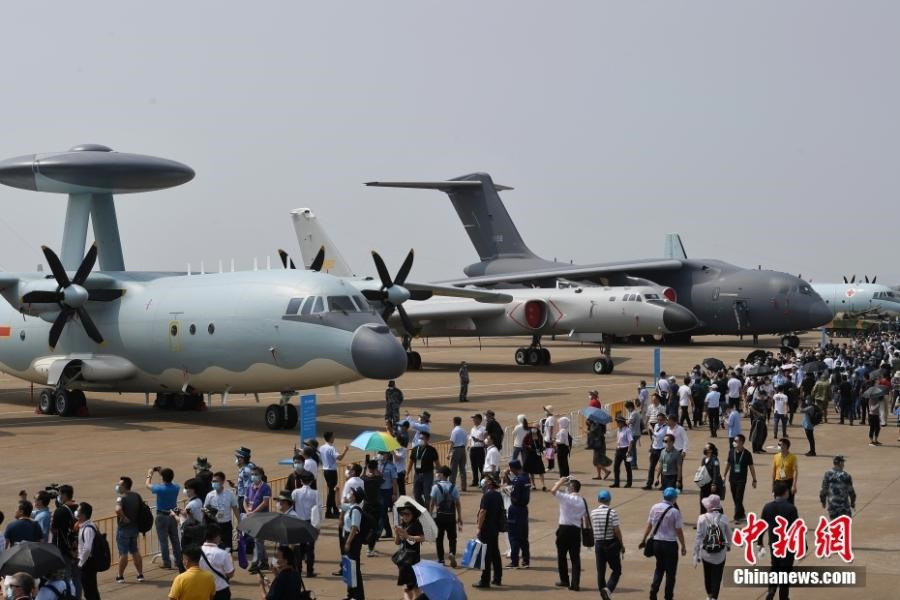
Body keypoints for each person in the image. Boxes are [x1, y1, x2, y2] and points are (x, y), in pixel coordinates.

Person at [639, 488, 687, 600]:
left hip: (657, 543)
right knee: (670, 573)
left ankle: (653, 591)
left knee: (659, 568)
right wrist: (683, 546)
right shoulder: (675, 512)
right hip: (670, 544)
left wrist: (644, 539)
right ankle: (668, 596)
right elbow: (679, 531)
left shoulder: (655, 507)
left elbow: (649, 525)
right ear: (674, 498)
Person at [757, 482, 799, 600]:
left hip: (774, 544)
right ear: (786, 493)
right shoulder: (791, 508)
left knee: (775, 567)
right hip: (787, 545)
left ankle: (771, 590)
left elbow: (761, 526)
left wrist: (760, 541)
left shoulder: (767, 507)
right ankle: (783, 597)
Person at [550, 476, 587, 591]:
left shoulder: (566, 498)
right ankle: (575, 584)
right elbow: (583, 518)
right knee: (575, 558)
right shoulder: (582, 501)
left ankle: (564, 580)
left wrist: (561, 481)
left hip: (564, 529)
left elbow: (553, 490)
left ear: (571, 487)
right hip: (576, 530)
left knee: (562, 556)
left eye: (568, 486)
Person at [692, 495, 731, 600]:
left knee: (707, 575)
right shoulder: (723, 518)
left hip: (706, 553)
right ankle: (714, 597)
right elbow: (728, 535)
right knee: (717, 577)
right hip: (720, 554)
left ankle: (709, 595)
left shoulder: (701, 518)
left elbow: (698, 537)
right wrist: (728, 545)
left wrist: (695, 554)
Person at [147, 467, 185, 571]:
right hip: (173, 515)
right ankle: (178, 561)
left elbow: (148, 485)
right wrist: (162, 473)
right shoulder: (176, 487)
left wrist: (149, 474)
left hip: (161, 516)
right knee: (175, 540)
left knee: (163, 541)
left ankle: (167, 562)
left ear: (163, 478)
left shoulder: (160, 488)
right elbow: (171, 482)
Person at [472, 473, 504, 589]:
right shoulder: (498, 495)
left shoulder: (487, 496)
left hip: (486, 528)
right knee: (495, 553)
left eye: (485, 480)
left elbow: (482, 512)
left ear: (490, 482)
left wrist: (478, 527)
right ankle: (497, 578)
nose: (483, 481)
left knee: (486, 555)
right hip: (494, 527)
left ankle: (485, 580)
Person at [591, 490, 624, 600]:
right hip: (610, 544)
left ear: (598, 500)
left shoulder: (593, 512)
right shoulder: (612, 512)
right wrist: (622, 544)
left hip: (598, 544)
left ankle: (602, 592)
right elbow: (617, 531)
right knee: (617, 570)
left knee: (601, 570)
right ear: (609, 500)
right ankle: (608, 589)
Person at [114, 476, 145, 583]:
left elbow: (117, 509)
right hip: (134, 529)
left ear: (125, 486)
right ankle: (140, 574)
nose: (117, 486)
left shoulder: (121, 498)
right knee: (135, 551)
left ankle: (120, 576)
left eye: (119, 484)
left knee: (123, 554)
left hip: (123, 530)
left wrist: (123, 517)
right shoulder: (137, 496)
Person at [430, 466, 461, 567]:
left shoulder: (435, 487)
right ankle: (452, 553)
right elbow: (457, 503)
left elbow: (432, 503)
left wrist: (430, 514)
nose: (437, 474)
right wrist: (459, 517)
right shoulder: (454, 487)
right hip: (451, 516)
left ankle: (441, 559)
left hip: (439, 516)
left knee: (439, 538)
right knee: (452, 538)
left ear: (443, 475)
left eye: (438, 473)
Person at [394, 502, 424, 600]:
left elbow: (422, 538)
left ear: (413, 514)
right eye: (403, 514)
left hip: (413, 560)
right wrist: (397, 533)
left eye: (407, 514)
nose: (405, 516)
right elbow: (397, 543)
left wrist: (408, 536)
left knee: (410, 588)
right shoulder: (403, 525)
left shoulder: (416, 525)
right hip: (404, 560)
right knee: (412, 587)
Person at [290, 471, 319, 576]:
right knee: (310, 549)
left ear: (301, 481)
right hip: (310, 522)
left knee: (298, 548)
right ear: (311, 481)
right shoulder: (315, 493)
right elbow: (318, 509)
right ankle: (310, 571)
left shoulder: (295, 492)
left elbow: (291, 506)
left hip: (298, 522)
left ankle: (298, 570)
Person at [244, 466, 272, 574]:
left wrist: (254, 512)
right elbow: (245, 500)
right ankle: (264, 561)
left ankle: (256, 562)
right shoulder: (249, 487)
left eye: (256, 474)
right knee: (258, 541)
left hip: (262, 517)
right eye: (252, 474)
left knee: (258, 540)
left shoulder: (265, 487)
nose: (253, 476)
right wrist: (247, 511)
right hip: (252, 516)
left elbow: (265, 503)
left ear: (261, 475)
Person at [723, 434, 756, 523]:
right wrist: (724, 475)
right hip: (732, 479)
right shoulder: (731, 452)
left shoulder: (747, 454)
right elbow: (728, 464)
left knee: (738, 498)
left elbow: (751, 467)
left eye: (736, 441)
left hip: (741, 480)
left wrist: (754, 479)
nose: (734, 442)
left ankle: (737, 517)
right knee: (735, 498)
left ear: (741, 442)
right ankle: (741, 514)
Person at [503, 460, 530, 569]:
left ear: (514, 468)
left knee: (514, 536)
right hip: (524, 510)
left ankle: (514, 561)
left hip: (516, 510)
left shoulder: (518, 480)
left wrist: (508, 493)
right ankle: (526, 560)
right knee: (524, 537)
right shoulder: (526, 478)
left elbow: (515, 496)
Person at [205, 472, 240, 552]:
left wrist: (240, 522)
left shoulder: (230, 494)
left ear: (223, 481)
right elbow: (205, 509)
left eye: (216, 481)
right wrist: (211, 515)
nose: (214, 483)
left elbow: (235, 509)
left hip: (226, 525)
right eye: (213, 481)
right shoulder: (209, 495)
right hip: (214, 525)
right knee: (215, 549)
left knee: (227, 549)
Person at [342, 488, 365, 600]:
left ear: (355, 497)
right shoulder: (350, 507)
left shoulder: (355, 510)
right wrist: (336, 491)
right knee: (349, 568)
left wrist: (348, 542)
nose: (349, 494)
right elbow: (338, 505)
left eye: (351, 493)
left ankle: (358, 596)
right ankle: (350, 594)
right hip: (349, 538)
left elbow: (354, 528)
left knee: (354, 568)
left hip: (353, 540)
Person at [199, 526, 234, 600]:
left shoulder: (196, 551)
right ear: (216, 537)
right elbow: (230, 574)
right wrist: (231, 560)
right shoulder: (223, 554)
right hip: (220, 590)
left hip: (202, 589)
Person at [320, 432, 349, 519]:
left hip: (325, 470)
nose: (334, 438)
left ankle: (334, 509)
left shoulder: (321, 448)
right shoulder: (332, 448)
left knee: (331, 491)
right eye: (333, 437)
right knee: (331, 492)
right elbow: (339, 458)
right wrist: (345, 450)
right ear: (329, 438)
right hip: (332, 471)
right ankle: (328, 511)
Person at [408, 431, 440, 508]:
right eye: (420, 438)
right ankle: (423, 509)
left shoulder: (432, 450)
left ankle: (427, 512)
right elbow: (411, 462)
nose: (420, 440)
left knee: (427, 495)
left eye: (422, 438)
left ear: (427, 439)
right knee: (416, 494)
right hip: (417, 475)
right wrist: (407, 474)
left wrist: (440, 474)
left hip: (427, 475)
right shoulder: (415, 449)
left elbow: (437, 463)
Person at [76, 502, 100, 600]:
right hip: (88, 562)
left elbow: (87, 548)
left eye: (78, 510)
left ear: (83, 514)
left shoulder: (88, 529)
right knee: (91, 589)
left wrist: (81, 563)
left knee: (89, 590)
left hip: (87, 563)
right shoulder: (87, 525)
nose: (76, 512)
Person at [697, 442, 725, 516]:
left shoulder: (714, 460)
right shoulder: (704, 459)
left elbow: (716, 472)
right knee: (702, 501)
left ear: (711, 450)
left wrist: (714, 484)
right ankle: (702, 518)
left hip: (712, 484)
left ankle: (720, 517)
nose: (705, 449)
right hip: (705, 484)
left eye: (707, 448)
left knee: (714, 503)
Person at [376, 451, 399, 539]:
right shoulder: (377, 464)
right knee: (382, 513)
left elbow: (394, 481)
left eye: (383, 453)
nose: (381, 455)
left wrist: (394, 493)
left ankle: (377, 533)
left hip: (387, 491)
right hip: (379, 491)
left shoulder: (391, 466)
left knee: (382, 512)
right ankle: (388, 531)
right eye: (380, 453)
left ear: (387, 455)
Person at [663, 413, 689, 489]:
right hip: (669, 451)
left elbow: (686, 440)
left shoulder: (680, 429)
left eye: (669, 420)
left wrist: (684, 451)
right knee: (669, 469)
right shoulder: (667, 429)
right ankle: (670, 485)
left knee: (678, 469)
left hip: (678, 452)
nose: (667, 422)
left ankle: (679, 486)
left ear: (674, 421)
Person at [644, 413, 669, 489]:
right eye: (658, 420)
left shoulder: (666, 428)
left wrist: (651, 429)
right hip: (655, 448)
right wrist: (651, 446)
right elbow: (654, 438)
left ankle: (664, 484)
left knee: (663, 468)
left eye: (661, 420)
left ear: (664, 420)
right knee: (651, 467)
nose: (659, 421)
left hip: (662, 449)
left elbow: (659, 435)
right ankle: (649, 484)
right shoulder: (656, 426)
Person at [772, 438, 798, 504]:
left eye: (781, 445)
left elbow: (795, 471)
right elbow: (774, 471)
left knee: (789, 502)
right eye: (779, 445)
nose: (780, 446)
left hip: (788, 482)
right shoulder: (776, 456)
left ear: (786, 446)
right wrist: (773, 485)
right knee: (777, 502)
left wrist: (794, 485)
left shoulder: (792, 457)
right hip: (778, 481)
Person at [522, 421, 546, 490]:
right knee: (531, 471)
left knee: (540, 470)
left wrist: (541, 449)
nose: (535, 429)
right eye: (534, 427)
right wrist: (528, 447)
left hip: (537, 454)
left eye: (537, 428)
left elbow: (541, 445)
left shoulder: (539, 435)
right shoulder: (528, 434)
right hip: (530, 454)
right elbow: (524, 443)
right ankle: (533, 485)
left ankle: (543, 485)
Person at [611, 416, 633, 488]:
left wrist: (629, 451)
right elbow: (619, 441)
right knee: (616, 467)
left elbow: (631, 441)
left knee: (628, 467)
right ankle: (616, 483)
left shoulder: (627, 430)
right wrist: (617, 448)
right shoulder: (619, 430)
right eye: (617, 422)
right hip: (619, 450)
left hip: (626, 450)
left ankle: (629, 483)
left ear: (622, 423)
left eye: (618, 422)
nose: (617, 423)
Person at [448, 416, 468, 491]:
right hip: (463, 449)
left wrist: (449, 453)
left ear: (454, 422)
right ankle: (464, 486)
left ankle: (451, 486)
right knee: (462, 469)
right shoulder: (464, 430)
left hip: (456, 450)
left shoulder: (454, 431)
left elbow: (452, 442)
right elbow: (466, 441)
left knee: (453, 469)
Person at [234, 447, 256, 513]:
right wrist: (236, 487)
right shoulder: (247, 466)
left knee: (244, 517)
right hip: (244, 496)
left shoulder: (246, 470)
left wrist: (245, 502)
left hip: (244, 498)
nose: (237, 459)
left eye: (238, 457)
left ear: (243, 459)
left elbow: (248, 487)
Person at [626, 400, 642, 469]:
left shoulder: (634, 413)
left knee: (632, 449)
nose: (627, 409)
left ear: (630, 407)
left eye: (627, 408)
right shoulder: (635, 413)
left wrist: (626, 421)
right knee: (632, 449)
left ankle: (633, 464)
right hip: (635, 432)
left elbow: (629, 422)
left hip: (634, 433)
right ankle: (633, 463)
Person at [540, 405, 557, 470]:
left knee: (550, 453)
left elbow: (551, 428)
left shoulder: (550, 419)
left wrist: (550, 438)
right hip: (548, 438)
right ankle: (551, 466)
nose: (545, 412)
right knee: (549, 452)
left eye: (546, 411)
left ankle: (550, 466)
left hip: (549, 439)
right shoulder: (550, 418)